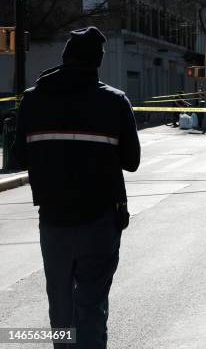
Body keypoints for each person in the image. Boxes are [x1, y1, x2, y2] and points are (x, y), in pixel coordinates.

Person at [13, 27, 141, 349]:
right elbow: (132, 161)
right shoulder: (114, 102)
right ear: (97, 61)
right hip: (99, 219)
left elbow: (16, 156)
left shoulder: (32, 100)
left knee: (60, 306)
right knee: (91, 304)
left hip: (53, 219)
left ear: (65, 57)